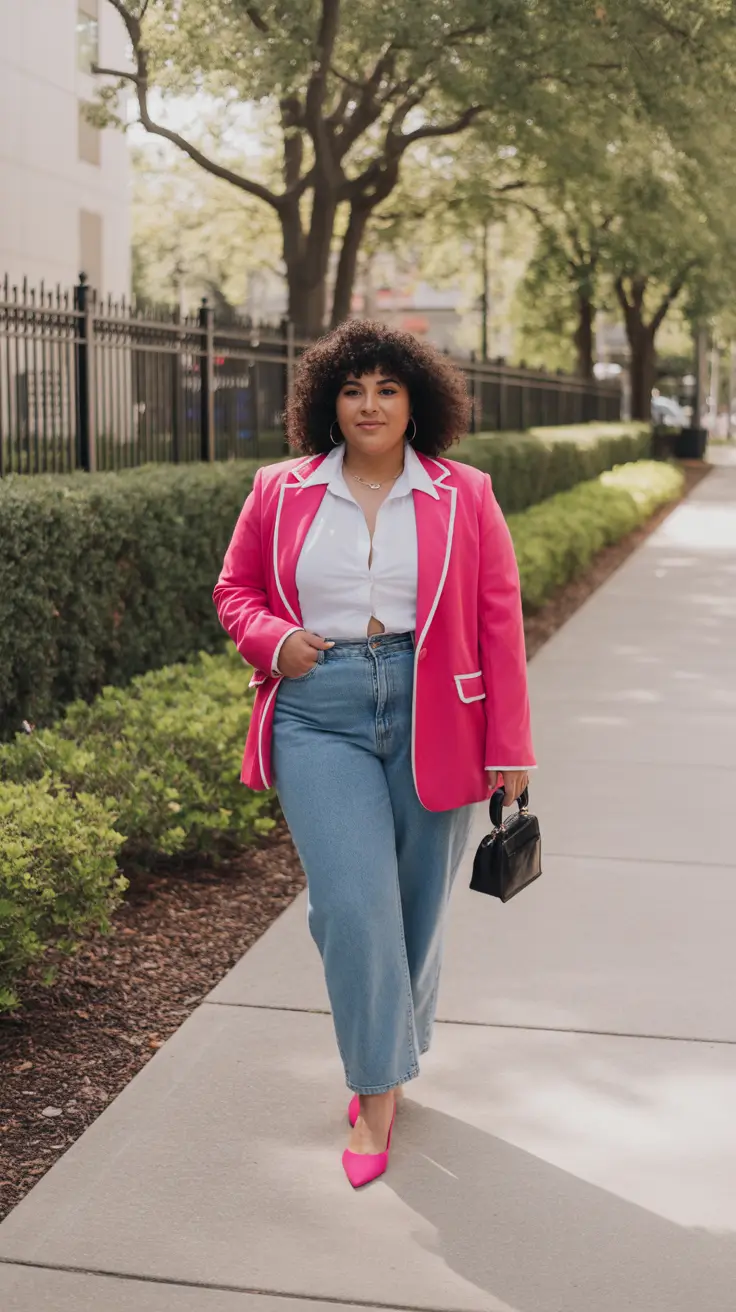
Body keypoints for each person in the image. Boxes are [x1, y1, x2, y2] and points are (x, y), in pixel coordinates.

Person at [213, 320, 535, 1188]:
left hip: (439, 714)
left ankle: (395, 1040)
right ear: (328, 400)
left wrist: (510, 744)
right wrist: (273, 641)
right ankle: (377, 1091)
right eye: (354, 390)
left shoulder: (465, 492)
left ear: (415, 402)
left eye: (387, 389)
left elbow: (499, 619)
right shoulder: (280, 489)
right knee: (352, 908)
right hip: (318, 713)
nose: (369, 405)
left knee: (418, 909)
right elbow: (234, 590)